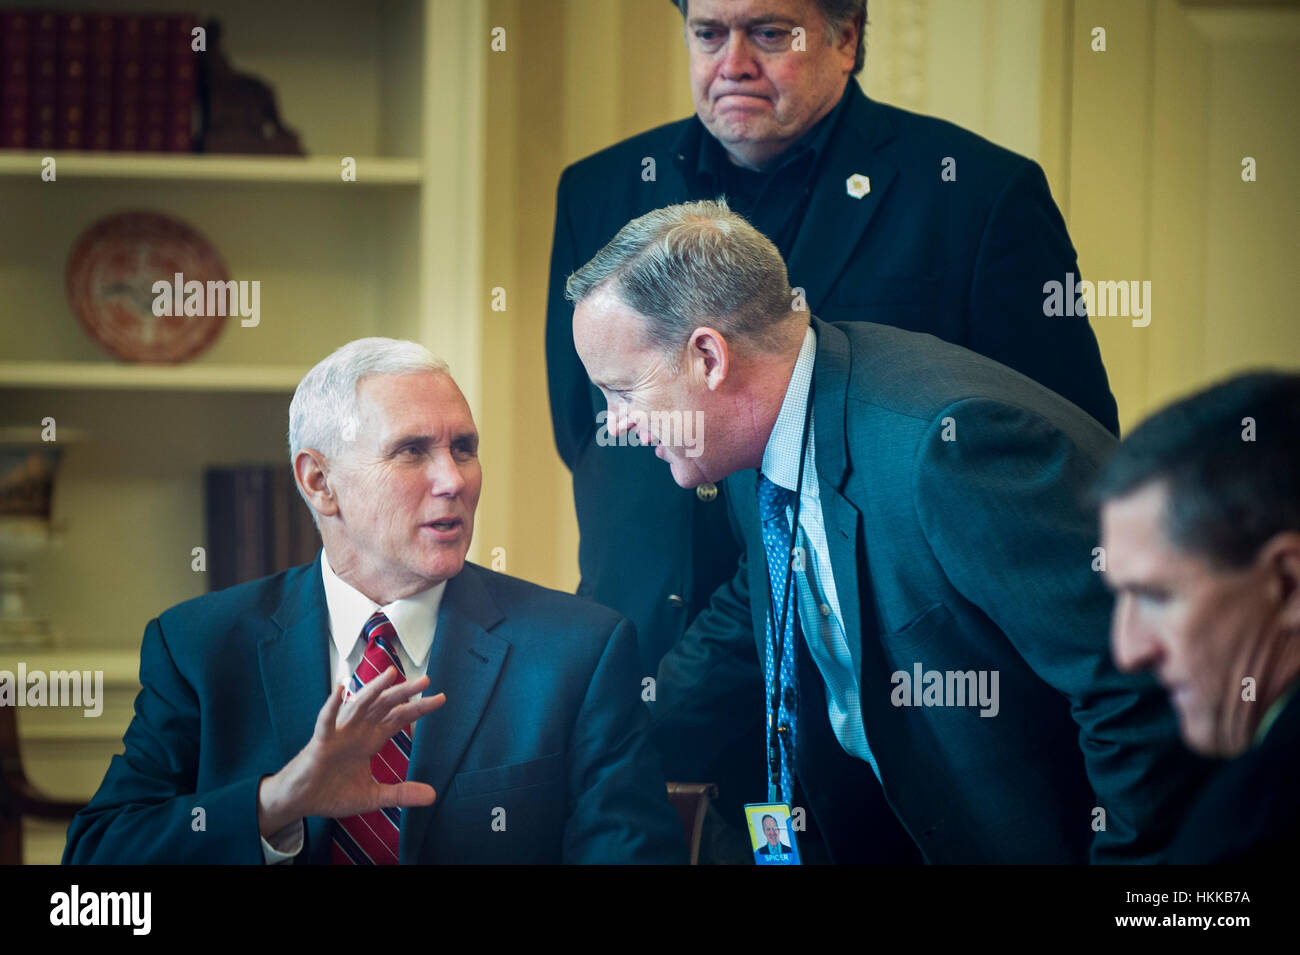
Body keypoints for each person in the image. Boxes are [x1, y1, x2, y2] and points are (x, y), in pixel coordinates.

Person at [566, 199, 1210, 863]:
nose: (613, 424)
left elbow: (1136, 686)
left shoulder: (951, 449)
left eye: (621, 390)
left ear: (708, 357)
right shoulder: (746, 434)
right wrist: (603, 746)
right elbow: (758, 600)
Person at [545, 0, 1118, 686]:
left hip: (894, 681)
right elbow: (586, 426)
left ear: (846, 38)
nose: (732, 65)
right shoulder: (598, 190)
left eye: (767, 33)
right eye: (708, 34)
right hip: (660, 663)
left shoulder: (977, 195)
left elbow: (1063, 453)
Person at [63, 338, 687, 865]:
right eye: (412, 451)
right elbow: (94, 865)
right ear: (320, 482)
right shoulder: (199, 647)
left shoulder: (579, 650)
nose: (454, 480)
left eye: (463, 448)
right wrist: (278, 802)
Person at [1094, 372, 1300, 864]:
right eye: (1120, 597)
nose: (1128, 652)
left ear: (1289, 585)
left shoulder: (1245, 839)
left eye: (1155, 597)